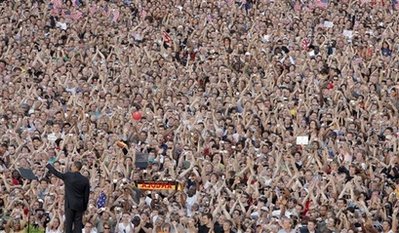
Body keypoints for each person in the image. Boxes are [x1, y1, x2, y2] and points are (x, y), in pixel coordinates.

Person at [46, 161, 90, 233]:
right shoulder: (85, 180)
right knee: (78, 224)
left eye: (72, 166)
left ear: (76, 167)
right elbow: (86, 196)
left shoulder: (68, 176)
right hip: (80, 205)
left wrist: (48, 165)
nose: (71, 167)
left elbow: (57, 173)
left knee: (69, 224)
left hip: (70, 204)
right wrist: (84, 207)